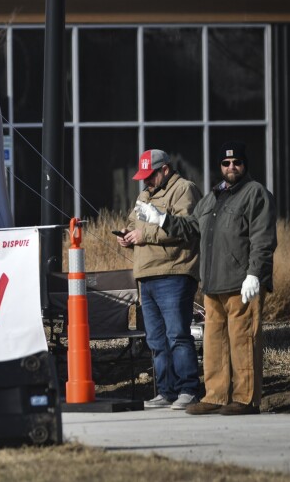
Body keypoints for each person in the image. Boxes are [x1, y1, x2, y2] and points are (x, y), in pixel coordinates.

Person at [136, 141, 277, 416]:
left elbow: (263, 240)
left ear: (244, 164)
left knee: (242, 341)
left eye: (236, 162)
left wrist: (254, 274)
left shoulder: (255, 193)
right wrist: (162, 219)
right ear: (220, 167)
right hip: (213, 283)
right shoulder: (212, 197)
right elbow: (191, 227)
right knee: (214, 345)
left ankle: (246, 399)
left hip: (241, 283)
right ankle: (216, 395)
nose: (231, 167)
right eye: (226, 163)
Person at [118, 149, 201, 410]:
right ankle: (166, 391)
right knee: (156, 339)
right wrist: (126, 235)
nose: (146, 181)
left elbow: (188, 228)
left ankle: (188, 389)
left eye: (150, 175)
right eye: (143, 176)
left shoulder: (184, 189)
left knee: (177, 334)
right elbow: (134, 223)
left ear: (165, 169)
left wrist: (145, 236)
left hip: (173, 273)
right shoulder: (145, 195)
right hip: (146, 274)